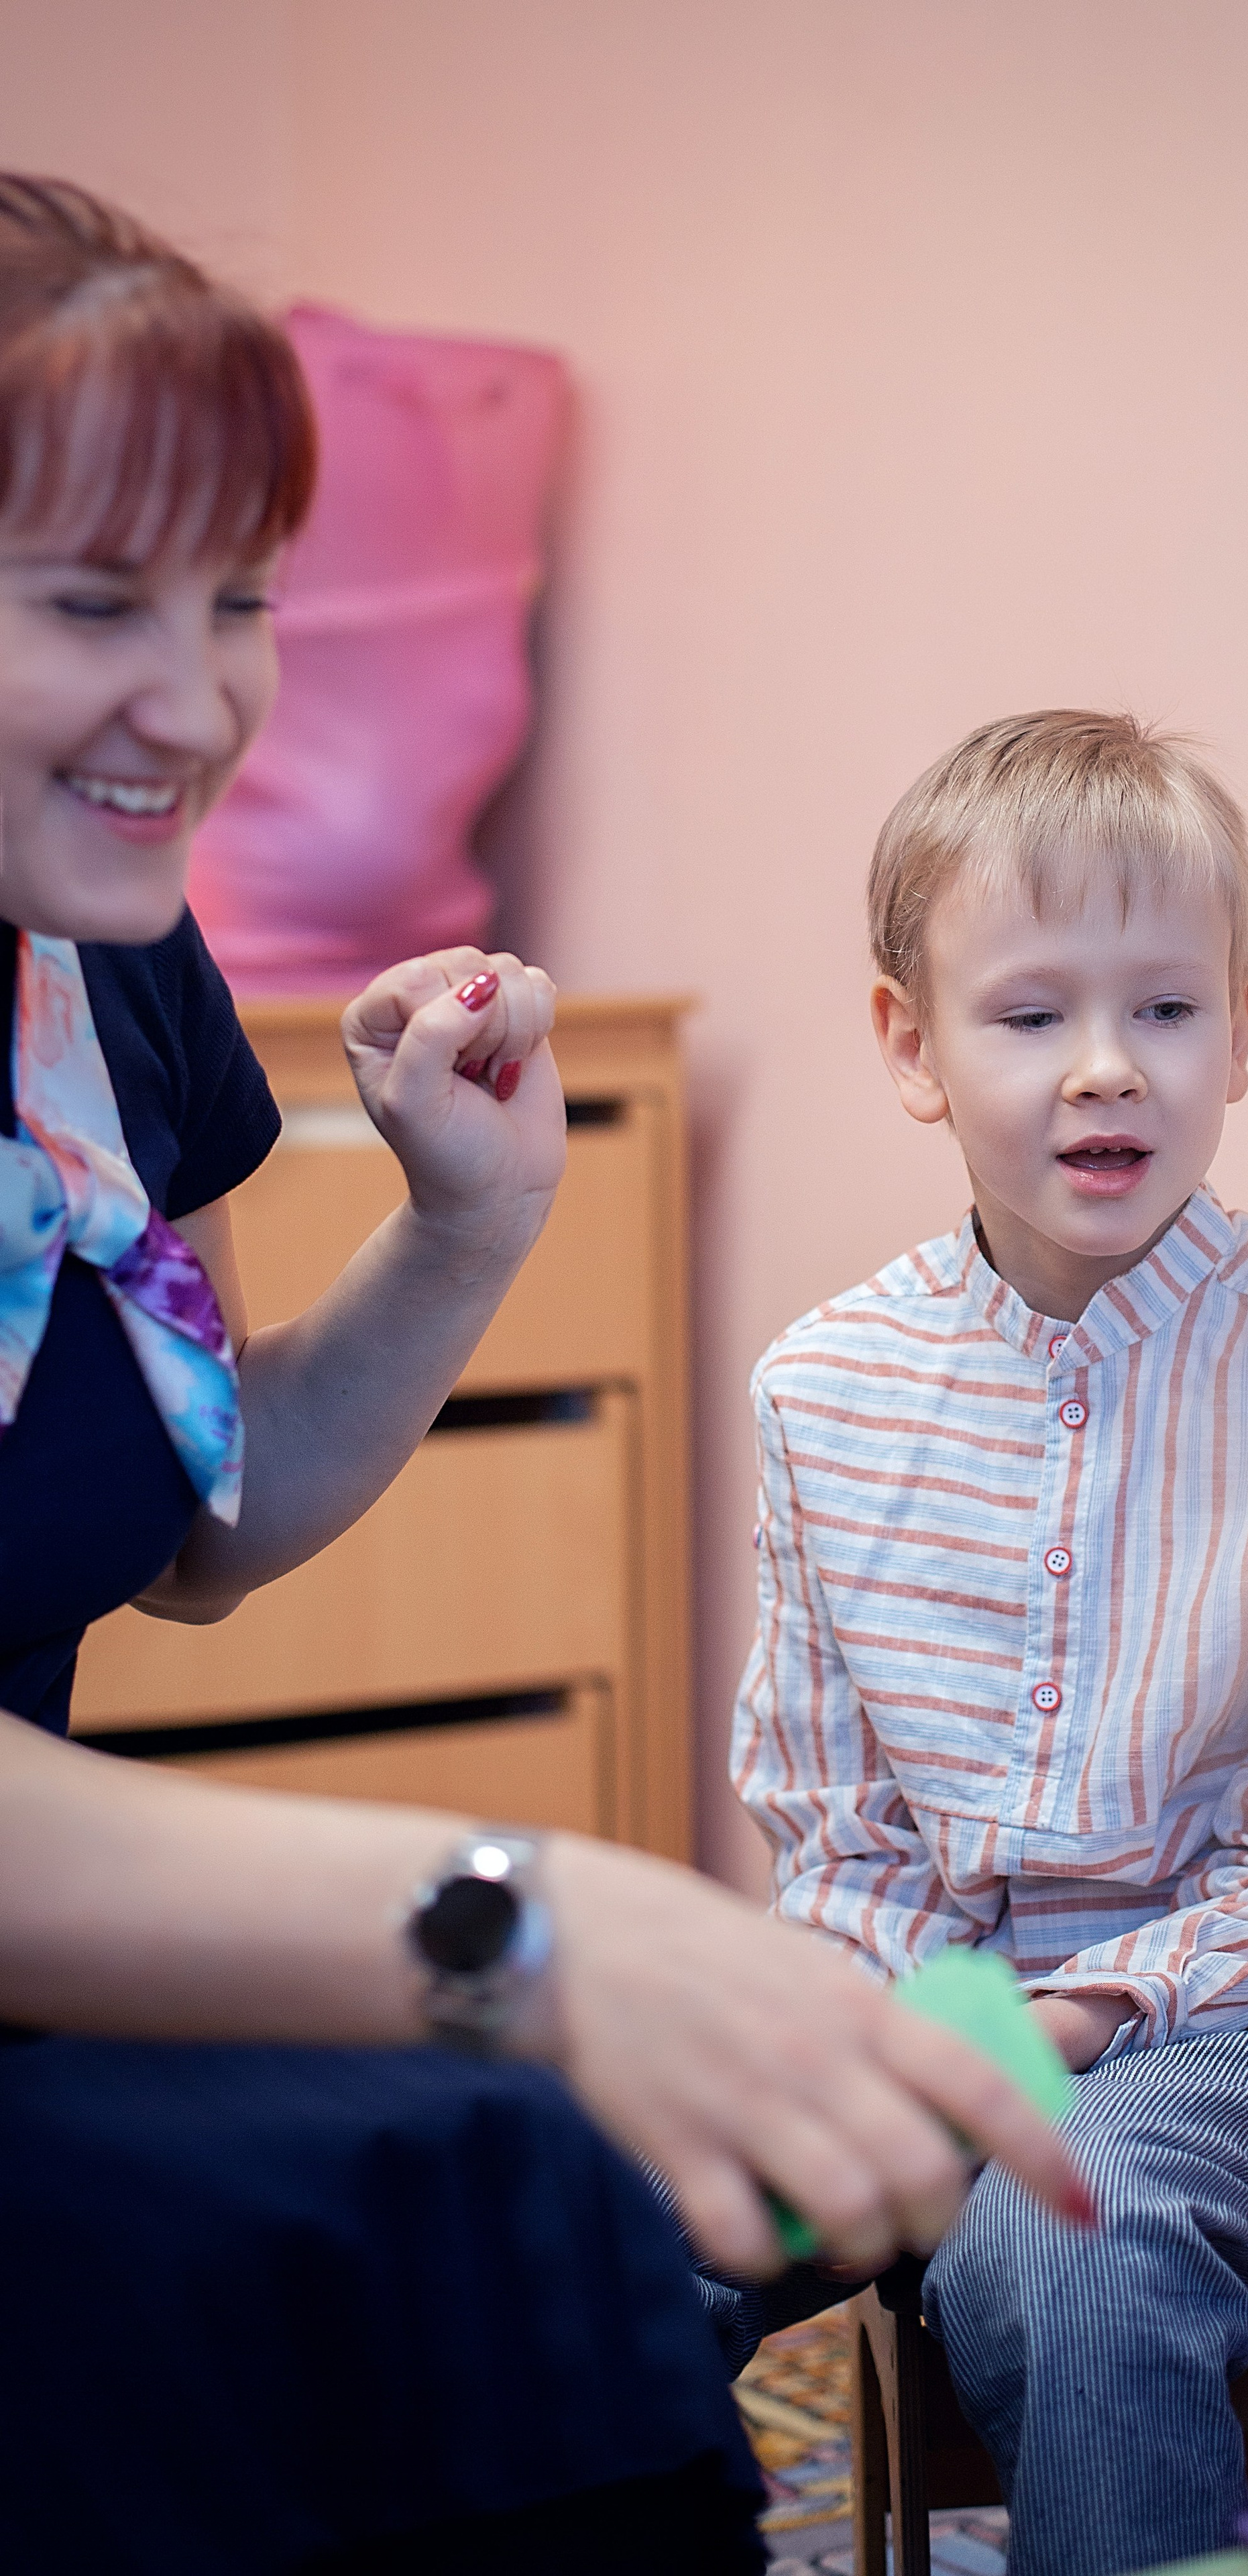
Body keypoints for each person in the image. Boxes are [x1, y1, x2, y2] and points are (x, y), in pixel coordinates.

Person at [0, 178, 1084, 2576]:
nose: (196, 702)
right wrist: (535, 1920)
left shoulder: (110, 979)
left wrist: (466, 1226)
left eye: (237, 601)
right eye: (90, 603)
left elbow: (200, 1525)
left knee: (517, 2189)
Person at [727, 710, 1248, 2576]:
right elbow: (835, 1837)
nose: (1108, 1068)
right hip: (929, 2018)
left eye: (1168, 1009)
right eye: (1034, 1013)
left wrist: (1045, 2040)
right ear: (913, 1043)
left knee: (1068, 2232)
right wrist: (933, 2035)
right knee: (604, 2213)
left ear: (1243, 1026)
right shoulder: (820, 1393)